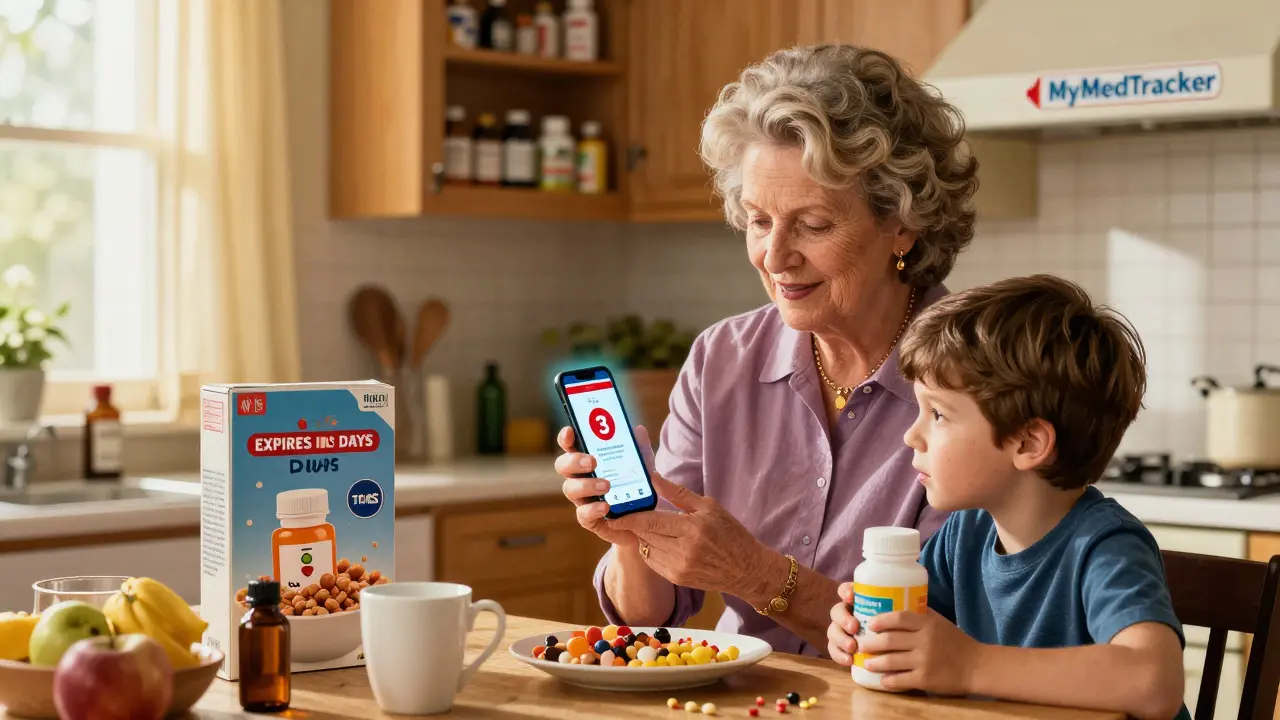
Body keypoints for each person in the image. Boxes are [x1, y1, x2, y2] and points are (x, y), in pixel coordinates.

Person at [553, 42, 979, 655]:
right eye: (758, 220)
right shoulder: (722, 359)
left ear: (902, 223)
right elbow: (654, 617)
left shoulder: (978, 376)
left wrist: (756, 575)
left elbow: (947, 638)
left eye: (813, 225)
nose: (775, 257)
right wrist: (630, 531)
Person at [826, 275, 1189, 720]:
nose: (911, 435)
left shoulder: (1105, 546)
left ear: (1027, 443)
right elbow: (917, 641)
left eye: (938, 414)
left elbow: (1155, 682)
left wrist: (970, 664)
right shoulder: (966, 533)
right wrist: (866, 633)